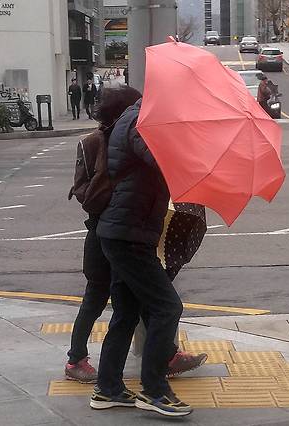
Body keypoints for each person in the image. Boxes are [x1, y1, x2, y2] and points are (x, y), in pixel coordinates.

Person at [65, 87, 207, 386]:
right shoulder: (97, 141)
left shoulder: (126, 133)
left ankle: (138, 372)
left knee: (133, 303)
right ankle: (77, 358)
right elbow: (83, 190)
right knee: (98, 297)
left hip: (122, 227)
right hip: (108, 230)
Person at [90, 97, 193, 417]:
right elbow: (162, 161)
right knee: (167, 306)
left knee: (126, 313)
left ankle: (107, 388)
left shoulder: (140, 118)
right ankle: (154, 390)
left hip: (126, 232)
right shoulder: (139, 120)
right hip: (128, 236)